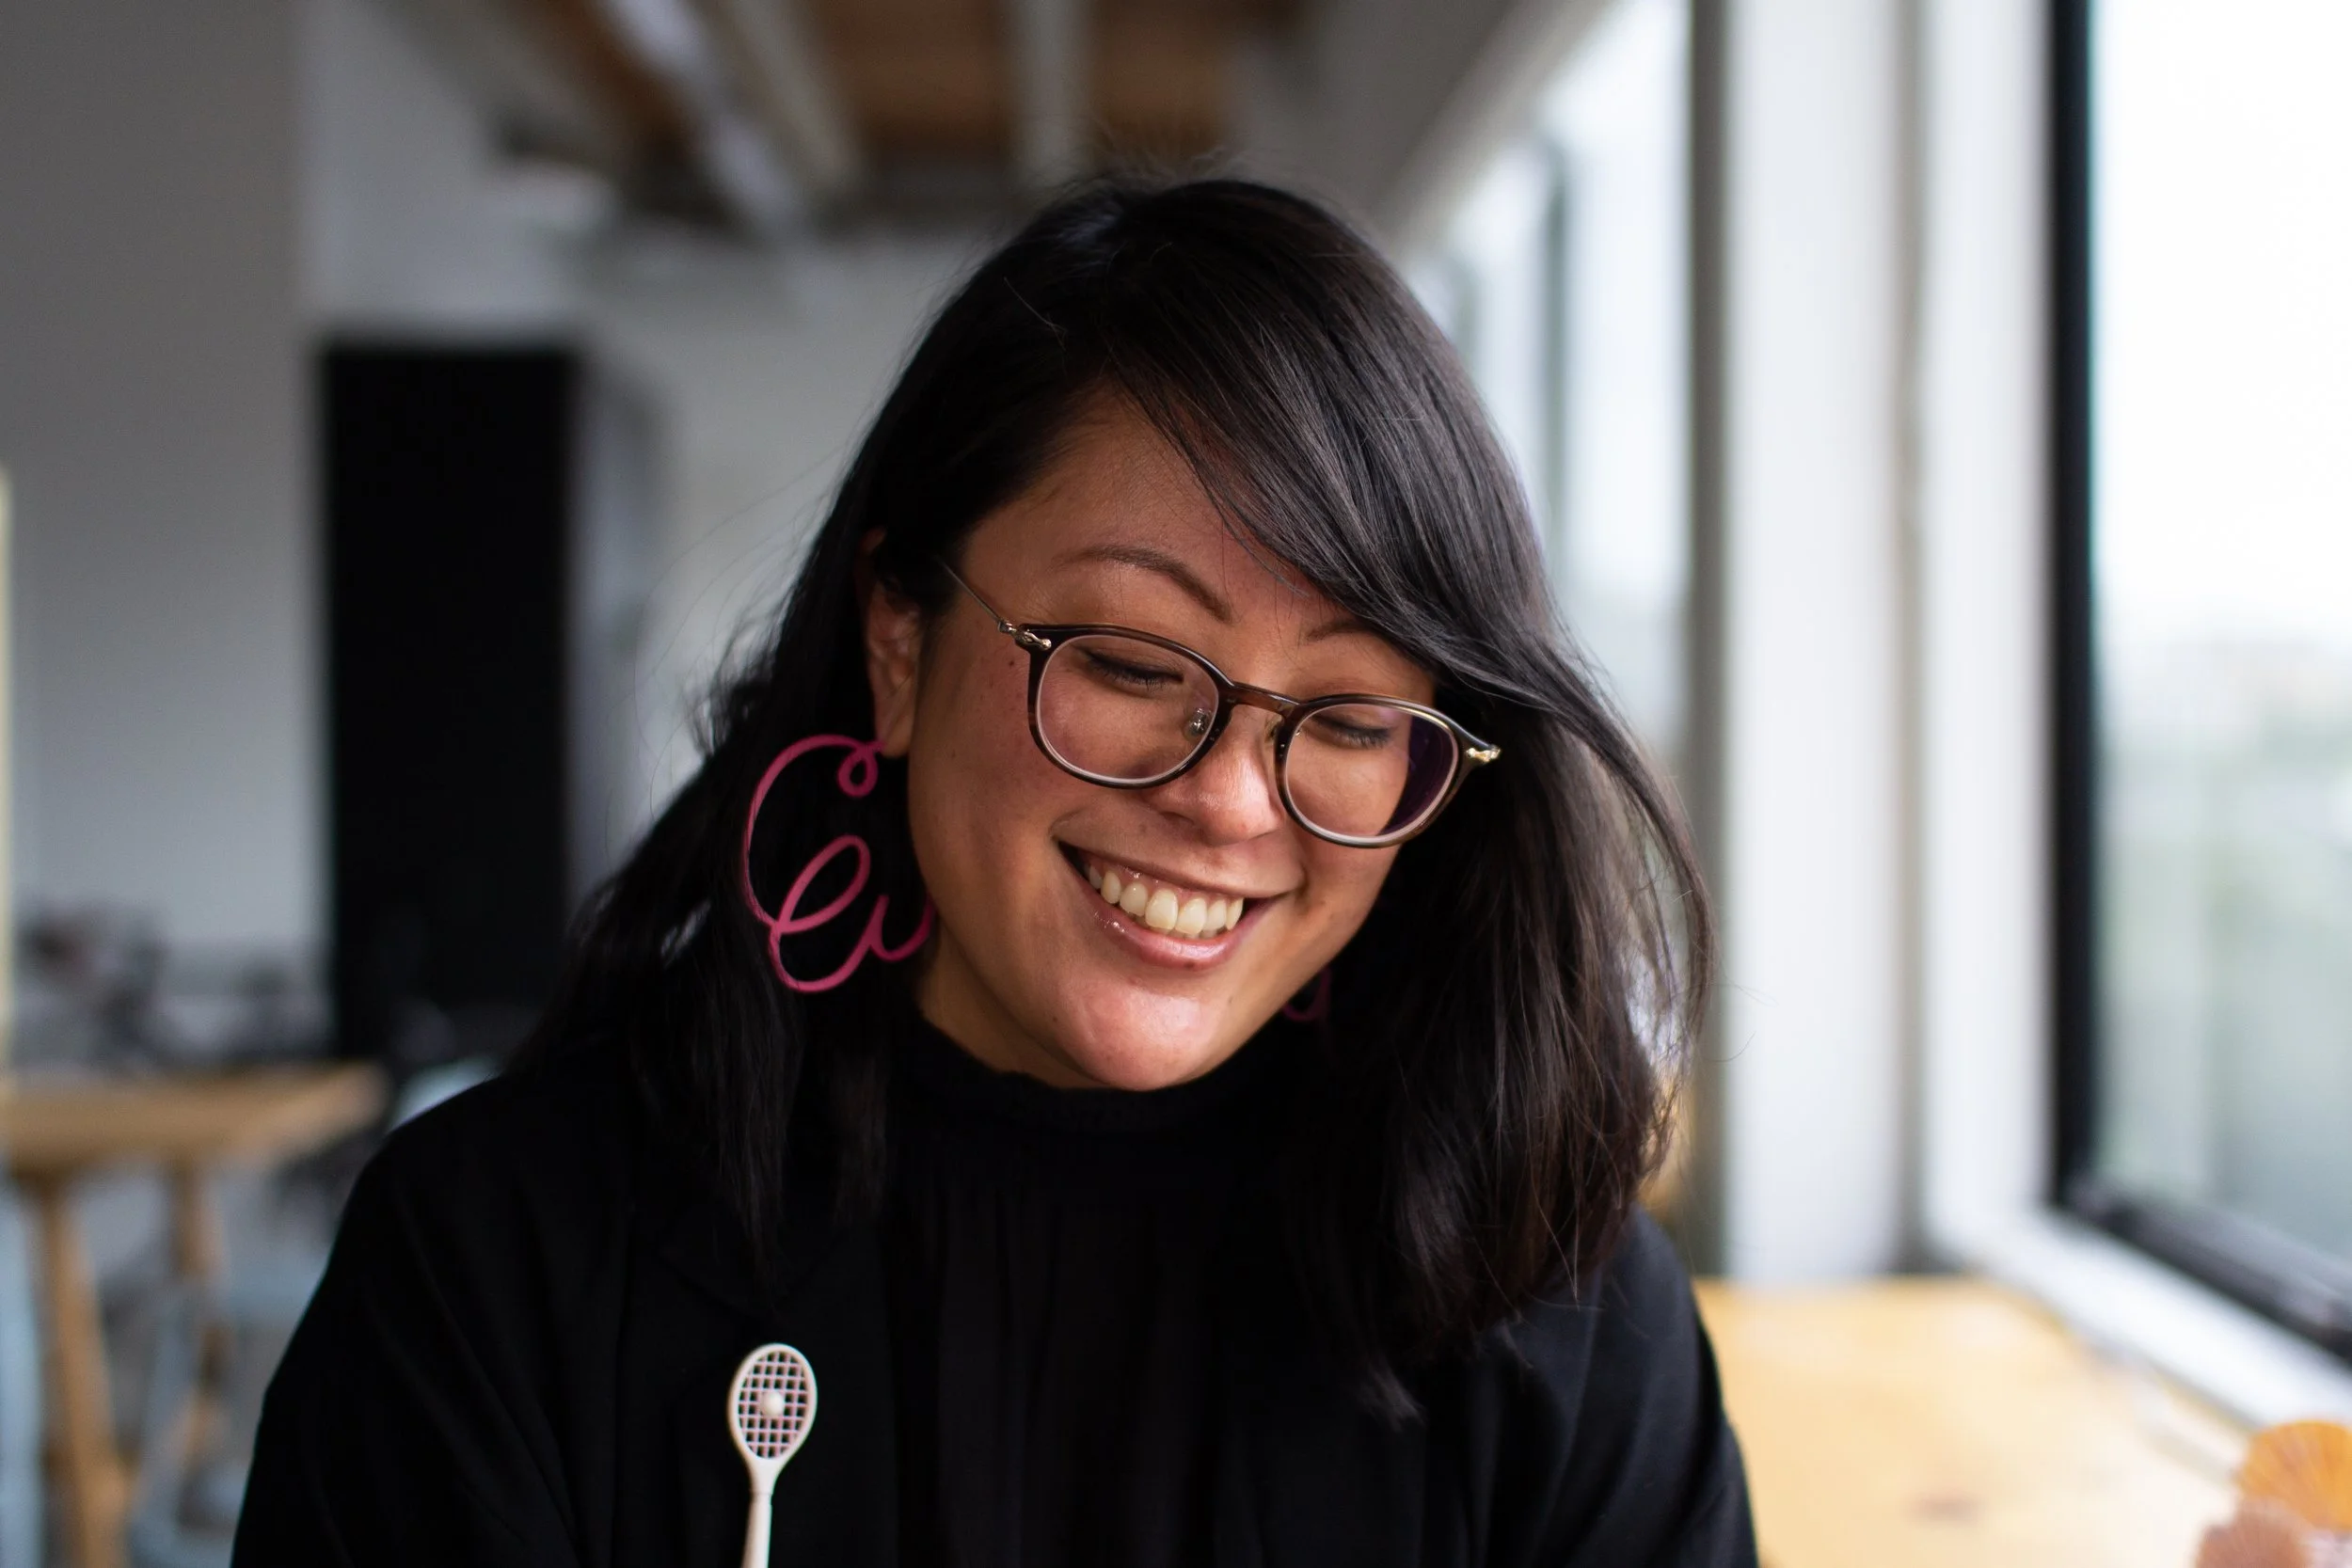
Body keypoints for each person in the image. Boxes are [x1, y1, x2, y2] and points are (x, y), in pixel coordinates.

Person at [233, 178, 1754, 1568]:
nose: (1230, 801)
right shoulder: (494, 1266)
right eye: (1130, 660)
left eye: (1351, 718)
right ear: (900, 642)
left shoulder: (1560, 1317)